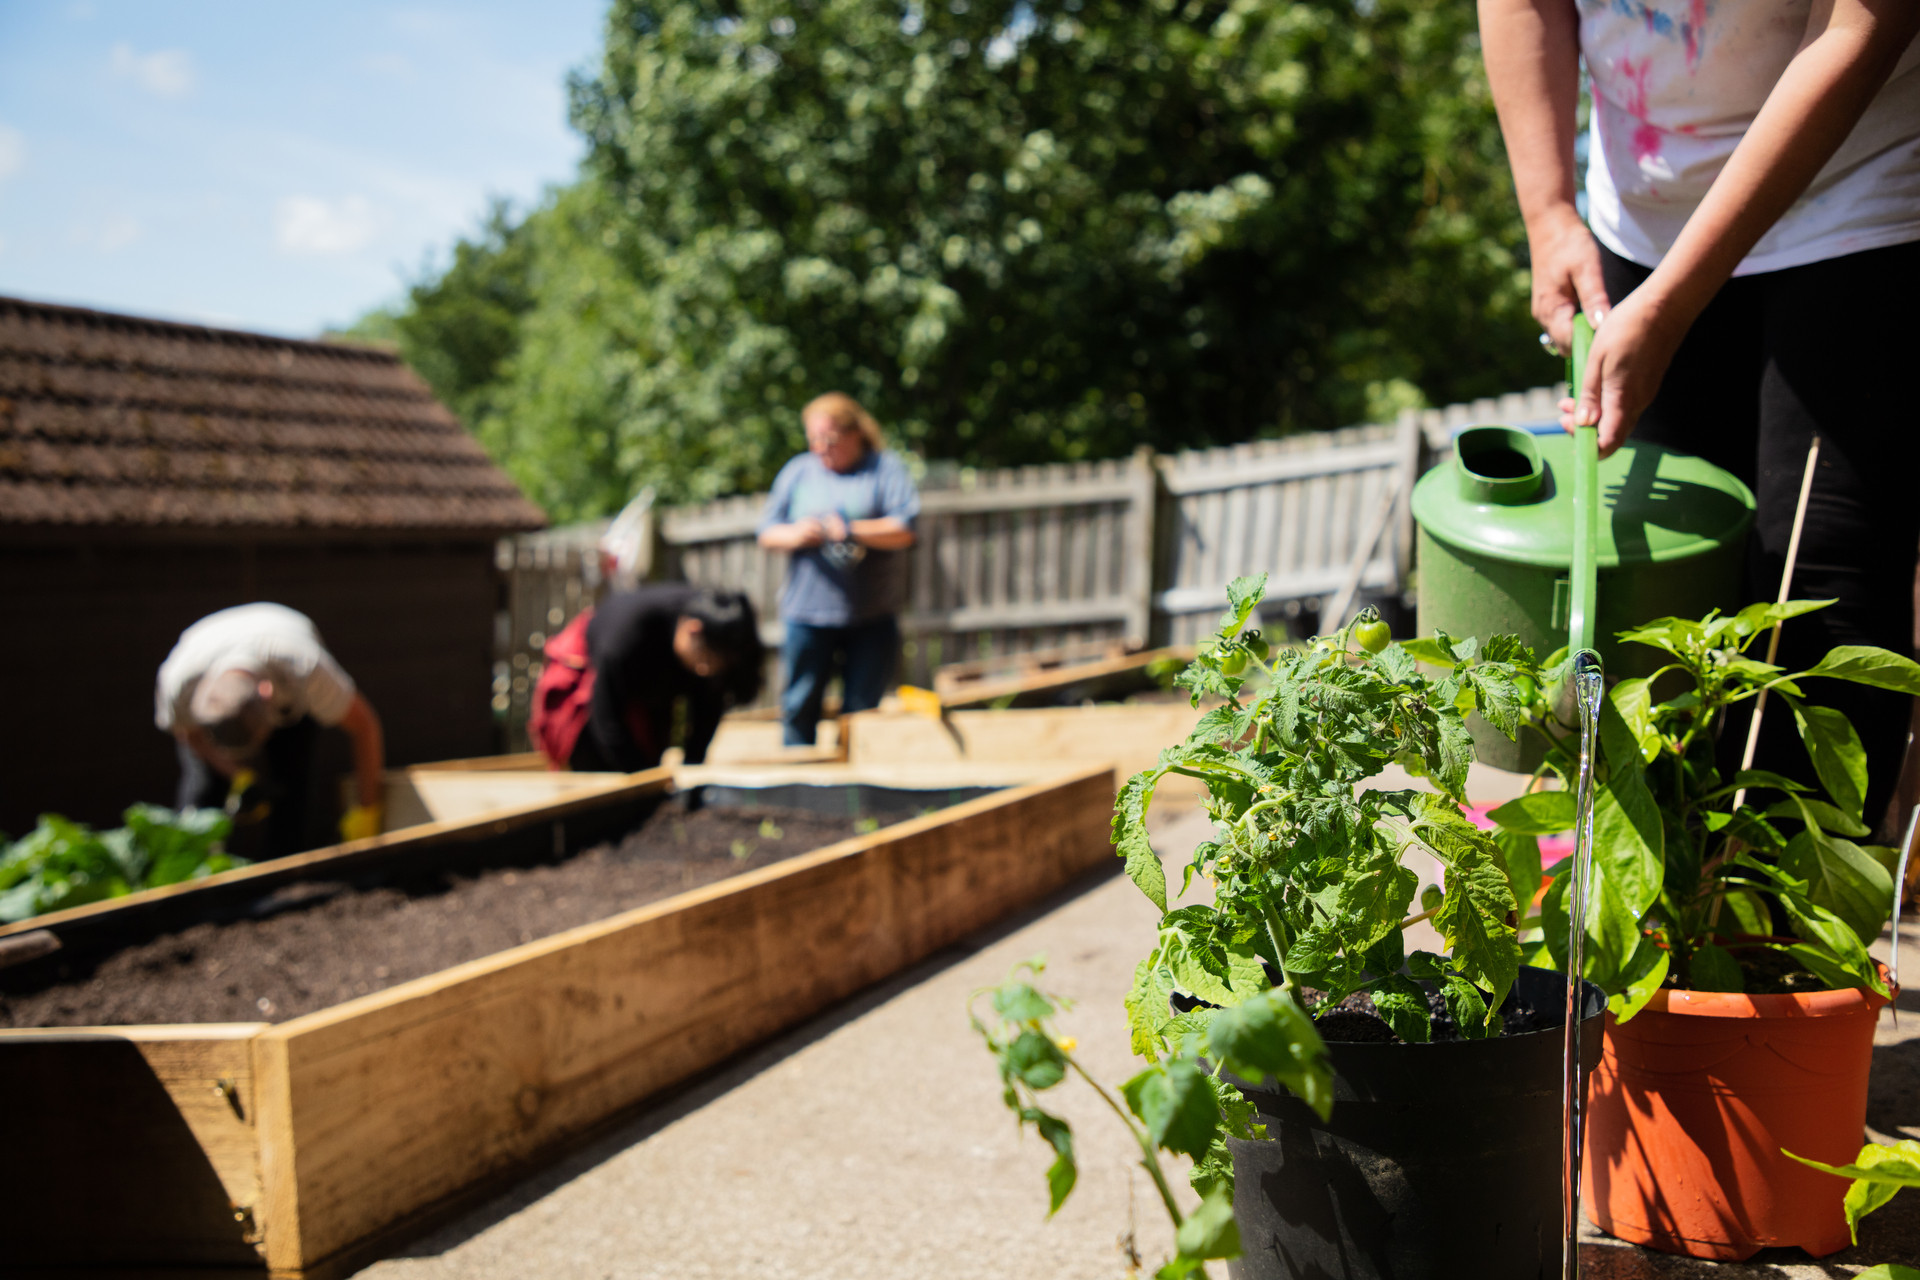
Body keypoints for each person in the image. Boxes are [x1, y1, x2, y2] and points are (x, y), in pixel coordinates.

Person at [1480, 0, 1920, 825]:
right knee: (1665, 578)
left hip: (1859, 181)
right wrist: (1547, 213)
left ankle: (1781, 929)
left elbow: (1862, 27)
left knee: (1819, 580)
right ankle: (1669, 915)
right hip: (1645, 206)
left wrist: (1674, 305)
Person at [756, 392, 921, 747]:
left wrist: (850, 529)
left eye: (829, 440)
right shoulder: (799, 471)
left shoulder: (883, 469)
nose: (820, 448)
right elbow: (766, 532)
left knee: (861, 714)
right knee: (799, 705)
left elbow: (905, 529)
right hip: (807, 616)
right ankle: (796, 790)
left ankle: (853, 796)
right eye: (813, 439)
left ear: (855, 433)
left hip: (870, 617)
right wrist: (798, 533)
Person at [156, 603, 385, 856]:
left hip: (285, 645)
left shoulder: (306, 669)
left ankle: (286, 874)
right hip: (206, 645)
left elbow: (365, 726)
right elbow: (189, 736)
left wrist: (367, 809)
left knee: (292, 786)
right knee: (202, 792)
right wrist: (237, 775)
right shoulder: (178, 683)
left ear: (267, 694)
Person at [529, 585, 763, 772]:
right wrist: (642, 780)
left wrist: (691, 770)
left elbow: (707, 711)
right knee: (593, 758)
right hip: (592, 682)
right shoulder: (627, 635)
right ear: (692, 630)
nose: (704, 671)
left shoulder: (709, 644)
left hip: (649, 690)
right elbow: (606, 714)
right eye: (704, 662)